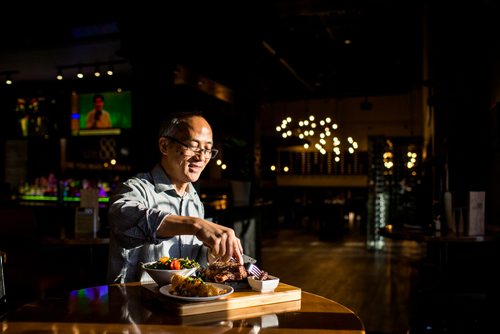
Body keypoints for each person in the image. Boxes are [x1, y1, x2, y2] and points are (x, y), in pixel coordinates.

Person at [107, 110, 244, 283]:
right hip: (135, 303)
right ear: (164, 146)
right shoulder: (136, 188)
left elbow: (193, 262)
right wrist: (195, 225)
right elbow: (122, 218)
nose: (201, 157)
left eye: (208, 149)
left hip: (182, 302)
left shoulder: (194, 200)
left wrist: (212, 252)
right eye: (193, 146)